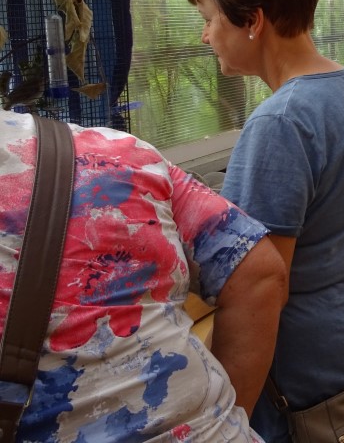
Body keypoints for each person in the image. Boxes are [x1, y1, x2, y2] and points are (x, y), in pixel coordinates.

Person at [182, 0, 344, 442]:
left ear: (253, 20)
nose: (205, 36)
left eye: (209, 19)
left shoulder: (281, 121)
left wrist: (224, 420)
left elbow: (259, 288)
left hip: (306, 371)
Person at [0, 111, 287, 441]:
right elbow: (257, 269)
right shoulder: (120, 151)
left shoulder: (279, 120)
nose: (216, 53)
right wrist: (219, 421)